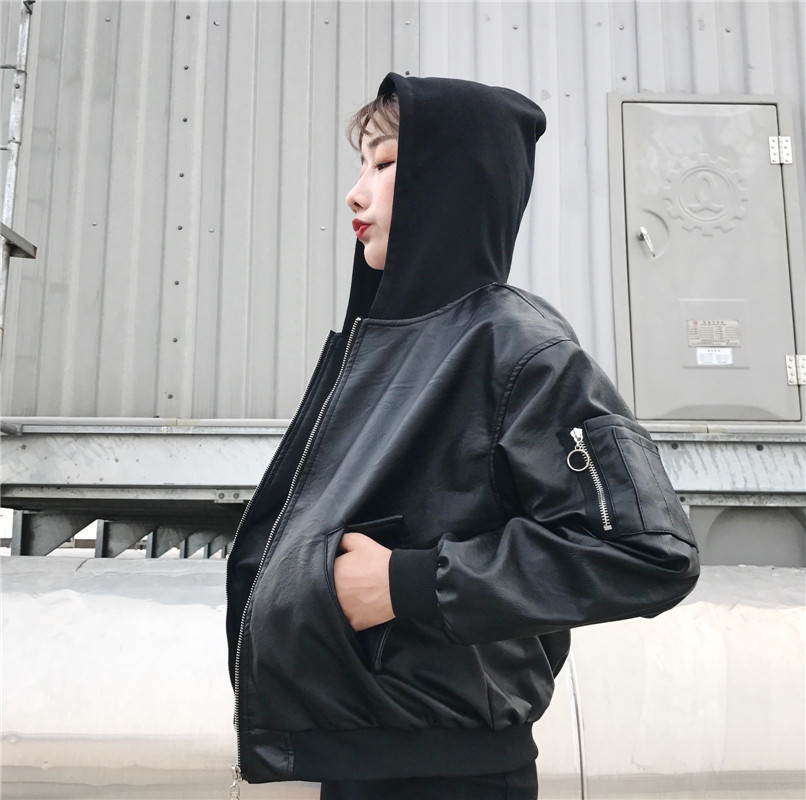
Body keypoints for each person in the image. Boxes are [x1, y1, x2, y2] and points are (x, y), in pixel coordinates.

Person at [226, 73, 699, 800]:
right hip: (363, 757)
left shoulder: (520, 349)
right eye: (360, 166)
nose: (355, 194)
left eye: (385, 165)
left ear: (450, 179)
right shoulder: (383, 346)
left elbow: (647, 552)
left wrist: (407, 583)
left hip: (456, 773)